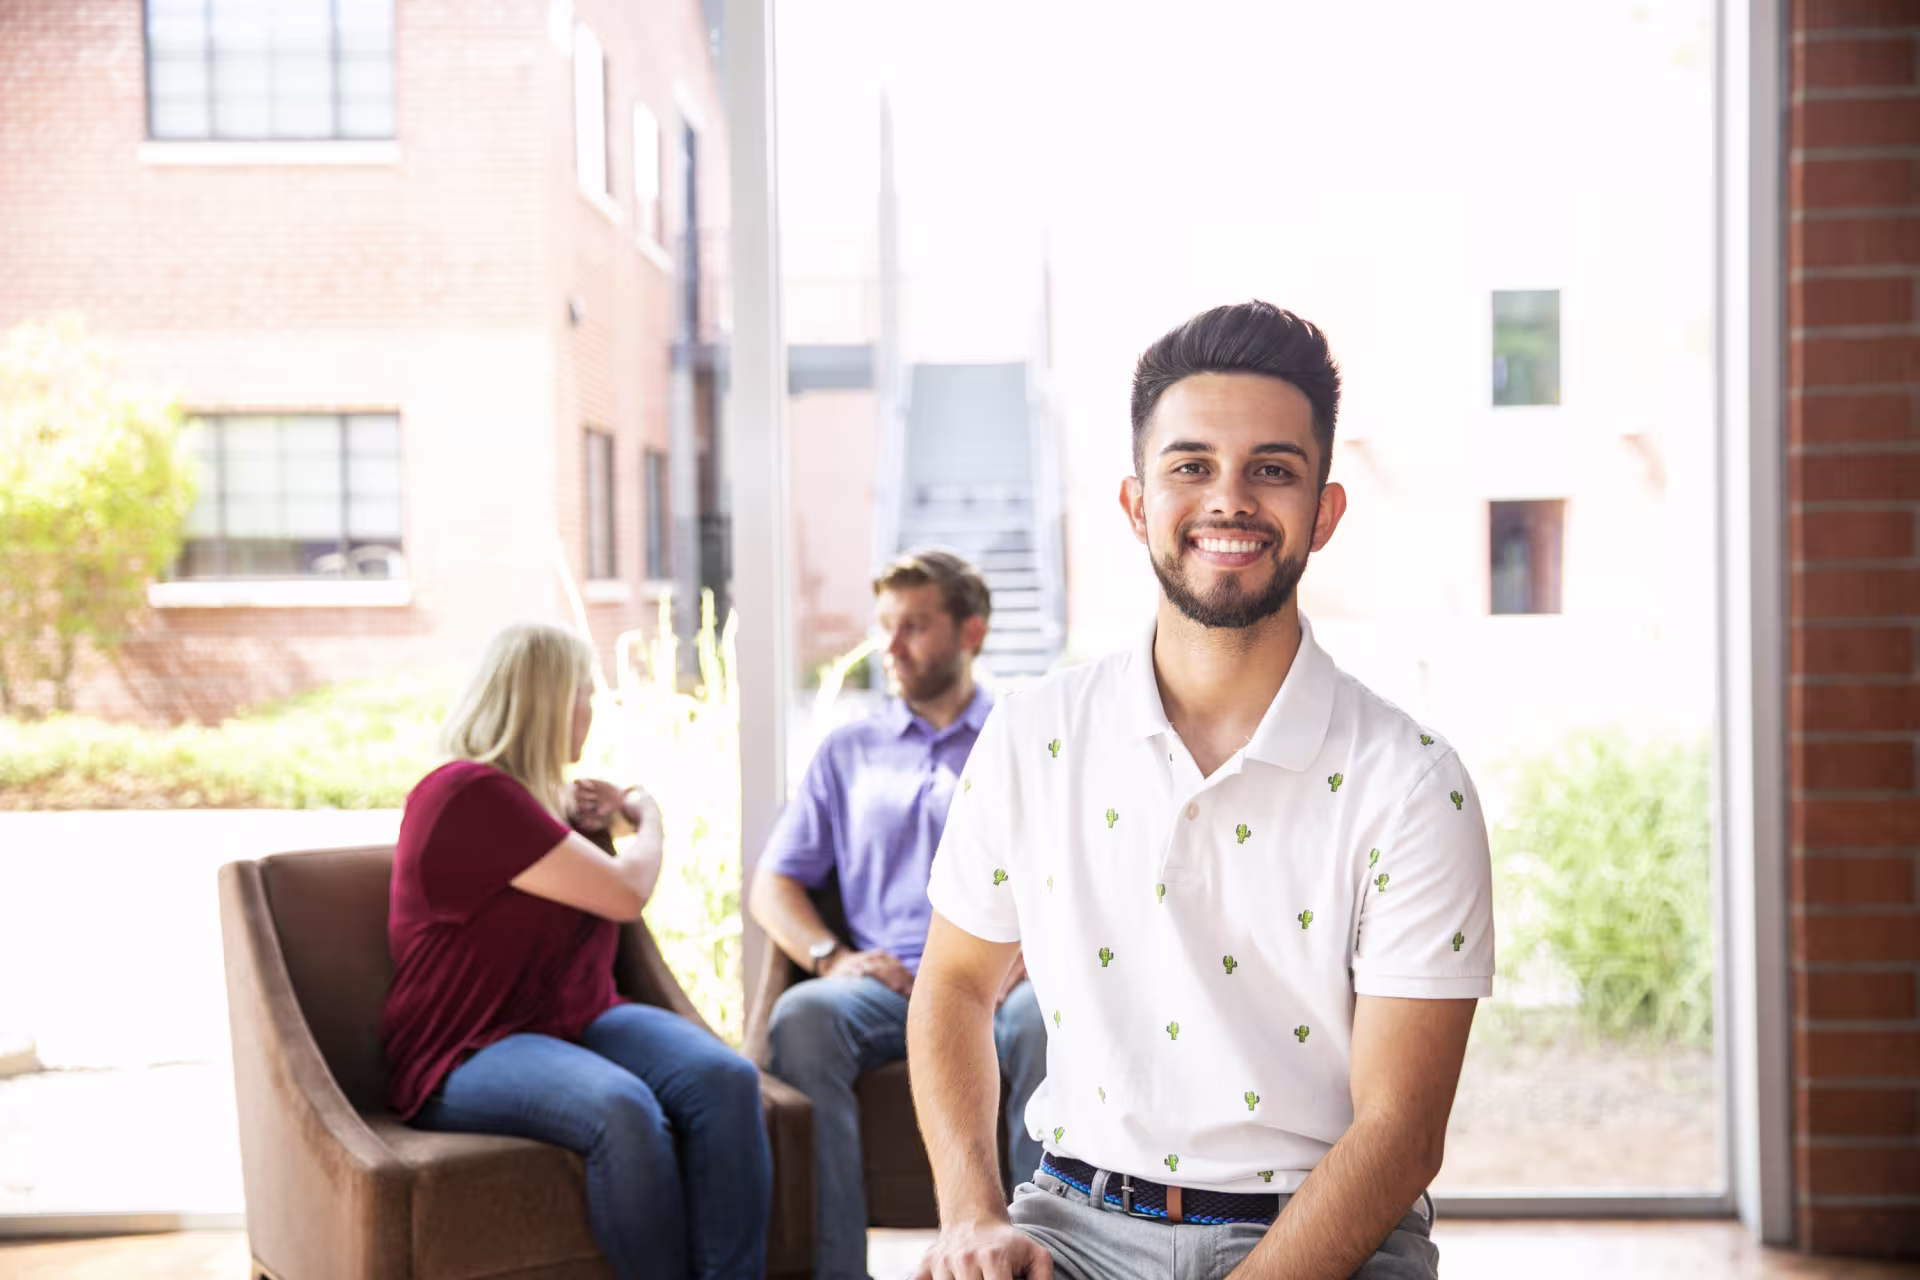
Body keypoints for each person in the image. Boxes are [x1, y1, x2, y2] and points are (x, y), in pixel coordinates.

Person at [907, 302, 1495, 1280]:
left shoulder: (1412, 784)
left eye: (1272, 467)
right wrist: (973, 1214)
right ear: (1138, 504)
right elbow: (956, 986)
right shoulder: (1030, 736)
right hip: (1068, 1222)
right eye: (1191, 465)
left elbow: (1400, 1128)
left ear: (1325, 509)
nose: (1230, 498)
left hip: (1324, 1237)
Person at [379, 621, 772, 1280]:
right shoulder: (468, 793)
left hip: (576, 1021)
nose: (593, 708)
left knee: (726, 1079)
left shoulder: (539, 802)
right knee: (620, 1108)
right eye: (585, 692)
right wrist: (648, 815)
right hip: (465, 1047)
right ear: (547, 701)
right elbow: (624, 894)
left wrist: (602, 815)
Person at [749, 550, 1050, 1280]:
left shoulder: (1024, 736)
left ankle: (1041, 1256)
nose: (890, 646)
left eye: (914, 626)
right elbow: (774, 883)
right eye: (885, 626)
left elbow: (1077, 872)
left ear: (970, 631)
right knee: (805, 1016)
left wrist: (1034, 954)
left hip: (1003, 978)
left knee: (1045, 1021)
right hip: (882, 987)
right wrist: (829, 956)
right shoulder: (847, 750)